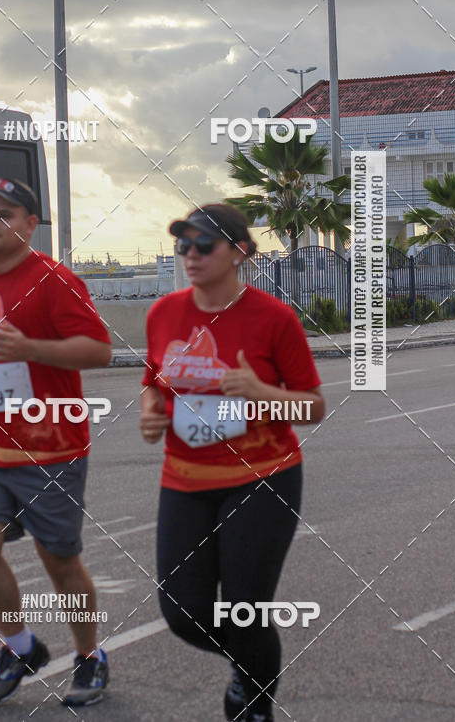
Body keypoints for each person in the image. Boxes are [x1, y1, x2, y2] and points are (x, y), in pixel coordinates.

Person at [140, 204, 325, 722]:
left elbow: (312, 406)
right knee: (182, 613)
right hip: (184, 479)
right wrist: (151, 410)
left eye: (204, 245)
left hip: (263, 477)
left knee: (244, 610)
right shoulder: (164, 313)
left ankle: (255, 700)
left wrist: (260, 392)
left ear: (241, 252)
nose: (190, 256)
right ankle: (253, 665)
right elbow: (154, 382)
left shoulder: (273, 318)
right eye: (183, 245)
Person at [0, 177, 112, 707]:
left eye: (4, 213)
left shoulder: (54, 280)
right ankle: (20, 645)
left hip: (52, 448)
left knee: (59, 561)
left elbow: (99, 350)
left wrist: (31, 347)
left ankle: (90, 657)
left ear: (30, 225)